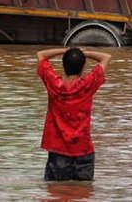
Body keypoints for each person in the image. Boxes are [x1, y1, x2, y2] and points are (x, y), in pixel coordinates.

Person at [36, 46, 111, 182]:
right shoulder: (87, 85)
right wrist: (83, 53)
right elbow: (106, 57)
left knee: (56, 190)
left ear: (64, 66)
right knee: (83, 190)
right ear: (82, 68)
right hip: (83, 149)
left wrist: (65, 51)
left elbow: (41, 55)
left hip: (58, 150)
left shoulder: (54, 84)